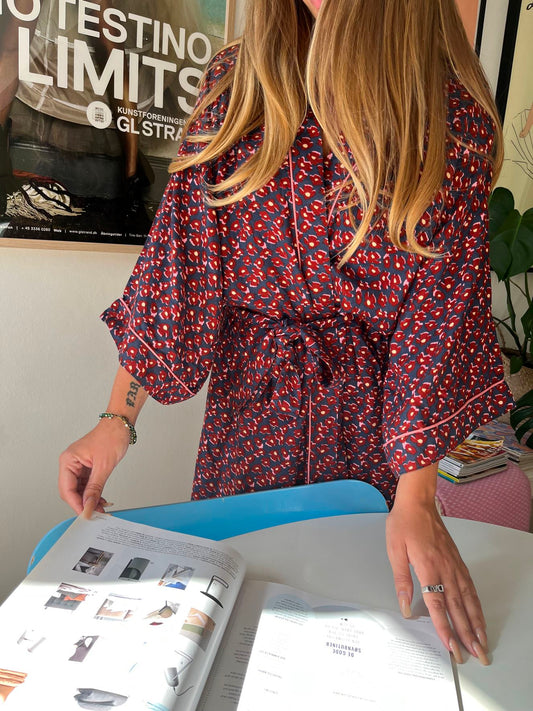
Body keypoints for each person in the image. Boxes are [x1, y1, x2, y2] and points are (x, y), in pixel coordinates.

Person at [59, 0, 514, 667]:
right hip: (246, 427)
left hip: (367, 445)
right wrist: (114, 420)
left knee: (354, 634)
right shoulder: (237, 85)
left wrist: (417, 496)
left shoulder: (449, 120)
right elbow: (178, 266)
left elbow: (437, 324)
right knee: (231, 631)